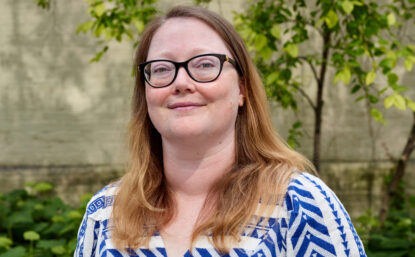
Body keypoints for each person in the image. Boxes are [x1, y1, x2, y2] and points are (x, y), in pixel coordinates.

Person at [75, 5, 366, 257]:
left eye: (204, 64)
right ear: (146, 93)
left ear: (241, 88)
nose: (181, 82)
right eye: (162, 68)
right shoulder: (107, 212)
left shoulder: (299, 203)